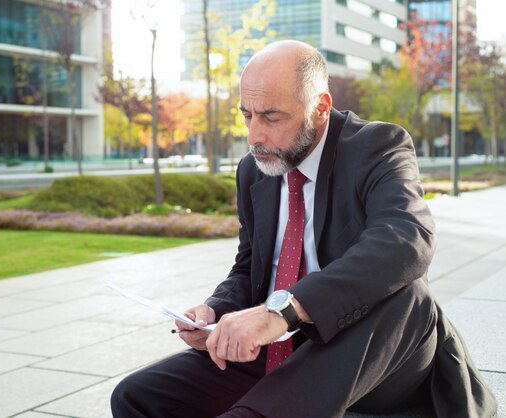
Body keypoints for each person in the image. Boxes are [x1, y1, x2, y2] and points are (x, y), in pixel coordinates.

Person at [111, 40, 496, 418]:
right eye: (247, 115)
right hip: (282, 347)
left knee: (405, 292)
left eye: (272, 117)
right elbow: (249, 267)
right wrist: (215, 311)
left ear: (320, 108)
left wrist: (286, 309)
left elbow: (407, 239)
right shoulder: (253, 170)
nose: (254, 136)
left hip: (370, 353)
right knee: (135, 397)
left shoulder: (377, 146)